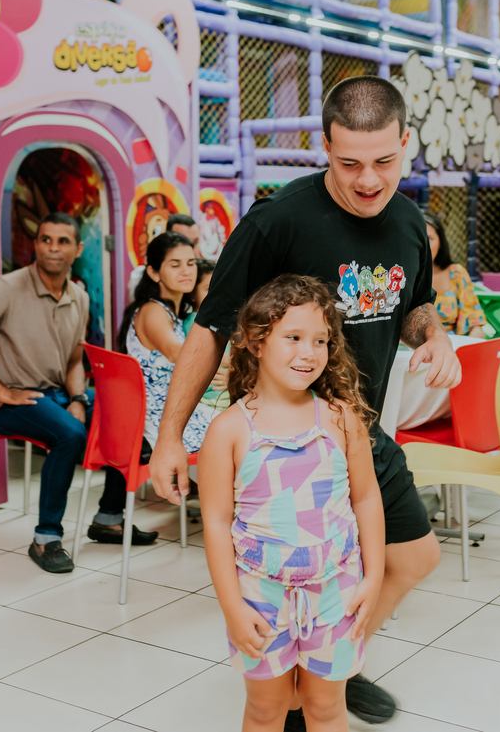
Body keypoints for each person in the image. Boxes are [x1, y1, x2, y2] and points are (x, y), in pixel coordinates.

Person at [150, 75, 459, 729]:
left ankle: (330, 667)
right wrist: (172, 434)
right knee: (289, 576)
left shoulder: (408, 222)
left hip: (361, 431)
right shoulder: (277, 221)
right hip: (288, 440)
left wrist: (436, 335)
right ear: (324, 146)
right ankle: (300, 689)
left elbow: (415, 306)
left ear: (406, 143)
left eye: (383, 161)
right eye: (349, 163)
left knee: (414, 556)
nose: (368, 180)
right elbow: (209, 326)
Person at [200, 275, 384, 732]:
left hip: (336, 589)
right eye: (294, 338)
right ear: (256, 343)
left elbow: (366, 497)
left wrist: (374, 575)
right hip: (259, 595)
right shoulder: (228, 431)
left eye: (321, 340)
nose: (309, 352)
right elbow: (216, 523)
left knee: (325, 707)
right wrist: (232, 608)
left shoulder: (341, 418)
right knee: (267, 709)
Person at [0, 212, 158, 575]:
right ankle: (46, 538)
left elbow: (75, 360)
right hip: (9, 402)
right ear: (36, 244)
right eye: (46, 240)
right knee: (71, 435)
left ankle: (108, 520)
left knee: (130, 426)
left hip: (57, 397)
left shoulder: (78, 296)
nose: (53, 248)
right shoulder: (8, 287)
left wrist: (79, 399)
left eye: (62, 242)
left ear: (77, 249)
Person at [118, 232, 213, 451]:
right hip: (160, 416)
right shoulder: (153, 311)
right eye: (175, 265)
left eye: (191, 263)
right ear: (153, 272)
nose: (186, 271)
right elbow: (175, 352)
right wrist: (229, 361)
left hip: (176, 405)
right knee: (236, 433)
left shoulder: (174, 311)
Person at [424, 212, 487, 337]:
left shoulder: (457, 273)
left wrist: (474, 340)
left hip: (451, 347)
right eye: (417, 239)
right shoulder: (398, 276)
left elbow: (474, 324)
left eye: (430, 239)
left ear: (440, 242)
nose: (424, 246)